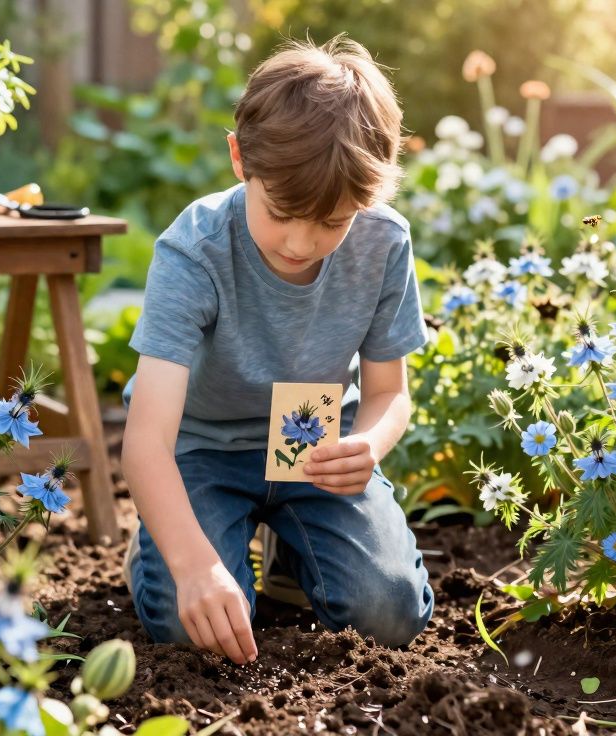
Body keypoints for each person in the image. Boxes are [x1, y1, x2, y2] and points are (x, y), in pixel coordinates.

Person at [119, 36, 433, 665]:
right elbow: (147, 441)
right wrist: (192, 564)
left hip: (312, 446)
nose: (301, 242)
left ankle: (293, 550)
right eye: (283, 211)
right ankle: (160, 542)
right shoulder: (194, 251)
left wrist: (366, 447)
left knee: (390, 613)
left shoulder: (383, 243)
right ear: (240, 159)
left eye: (332, 222)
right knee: (190, 631)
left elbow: (387, 393)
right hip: (201, 449)